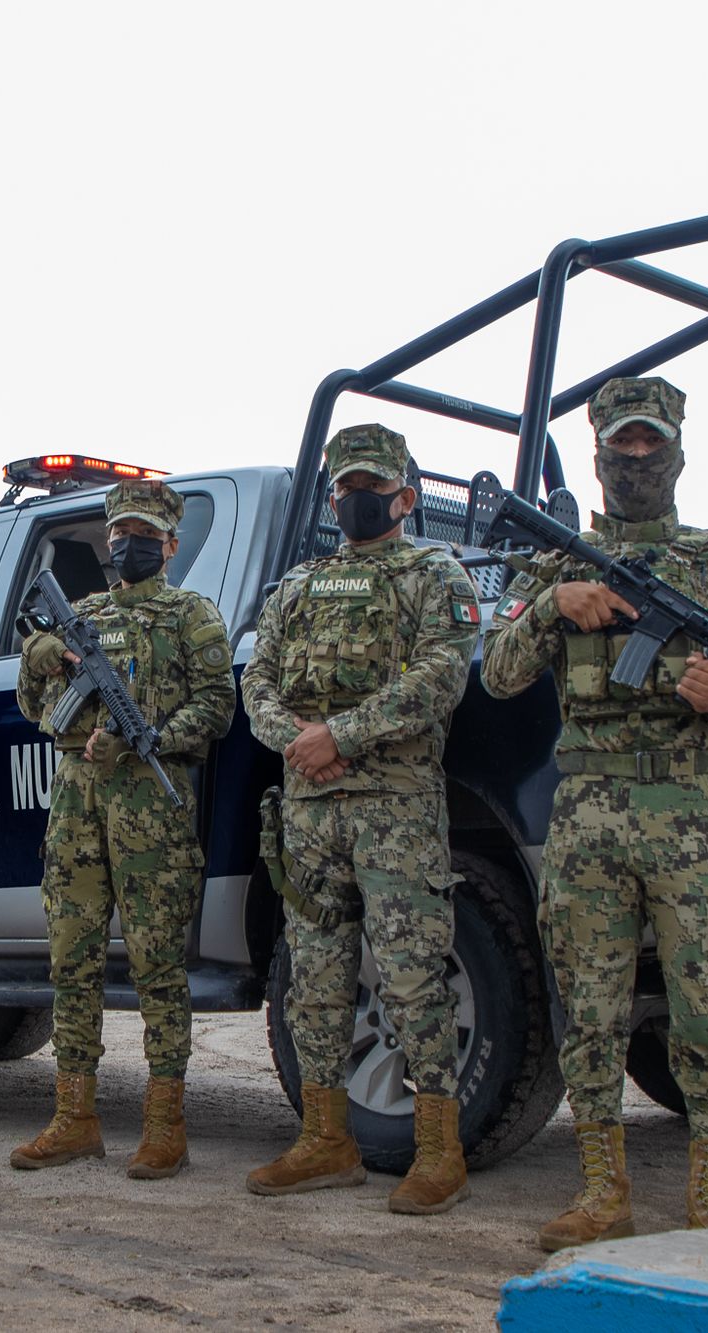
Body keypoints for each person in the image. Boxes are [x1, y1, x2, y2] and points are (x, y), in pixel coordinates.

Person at [479, 376, 708, 1248]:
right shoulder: (557, 563)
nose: (639, 458)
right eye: (624, 444)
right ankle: (601, 1192)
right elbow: (498, 672)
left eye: (653, 443)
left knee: (707, 1005)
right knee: (590, 1007)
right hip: (588, 814)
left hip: (695, 809)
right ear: (600, 455)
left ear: (679, 453)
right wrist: (552, 604)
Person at [241, 424, 484, 1215]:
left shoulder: (433, 574)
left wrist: (340, 734)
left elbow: (442, 677)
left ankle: (440, 1150)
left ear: (405, 497)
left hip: (395, 810)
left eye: (370, 486)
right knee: (314, 979)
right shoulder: (299, 585)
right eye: (343, 486)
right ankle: (325, 1140)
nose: (355, 498)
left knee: (414, 977)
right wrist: (300, 743)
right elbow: (259, 682)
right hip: (311, 812)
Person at [10, 478, 235, 1178]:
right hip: (76, 804)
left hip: (150, 810)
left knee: (157, 967)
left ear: (170, 543)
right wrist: (36, 657)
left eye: (144, 534)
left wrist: (155, 739)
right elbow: (32, 705)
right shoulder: (81, 614)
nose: (128, 544)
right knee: (70, 960)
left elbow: (219, 707)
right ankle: (74, 1117)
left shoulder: (192, 615)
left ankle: (165, 1124)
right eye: (120, 533)